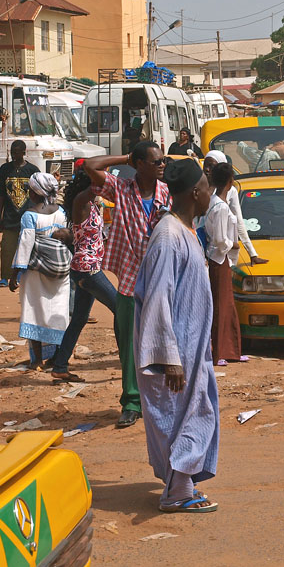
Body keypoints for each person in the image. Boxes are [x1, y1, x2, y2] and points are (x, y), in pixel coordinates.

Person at [134, 158, 220, 513]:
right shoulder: (169, 236)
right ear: (195, 192)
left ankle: (180, 483)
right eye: (206, 188)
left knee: (194, 412)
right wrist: (166, 357)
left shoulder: (186, 231)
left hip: (192, 348)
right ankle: (178, 492)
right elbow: (157, 297)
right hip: (176, 352)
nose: (210, 194)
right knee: (185, 416)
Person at [85, 142, 171, 429]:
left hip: (161, 279)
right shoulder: (120, 189)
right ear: (140, 164)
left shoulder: (166, 192)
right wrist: (126, 157)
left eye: (163, 161)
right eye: (156, 161)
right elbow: (91, 166)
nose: (161, 165)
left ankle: (156, 400)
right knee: (129, 346)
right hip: (130, 282)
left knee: (161, 343)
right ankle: (131, 402)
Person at [48, 169, 117, 383]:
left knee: (78, 318)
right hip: (88, 269)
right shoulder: (82, 201)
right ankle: (130, 357)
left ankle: (60, 365)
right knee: (122, 309)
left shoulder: (92, 203)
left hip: (86, 267)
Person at [9, 173, 70, 370]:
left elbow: (25, 246)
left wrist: (14, 274)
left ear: (35, 193)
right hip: (60, 272)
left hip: (36, 272)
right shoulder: (62, 212)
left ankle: (36, 360)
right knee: (58, 312)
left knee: (34, 311)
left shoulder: (30, 216)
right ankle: (57, 357)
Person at [205, 162, 245, 367]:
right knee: (220, 305)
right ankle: (218, 351)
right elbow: (220, 239)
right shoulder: (220, 207)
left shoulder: (213, 201)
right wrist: (234, 244)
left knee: (226, 304)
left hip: (220, 258)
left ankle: (229, 350)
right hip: (219, 258)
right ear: (230, 182)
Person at [204, 150, 268, 265]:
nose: (207, 169)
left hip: (220, 255)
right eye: (206, 165)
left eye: (211, 166)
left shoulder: (230, 191)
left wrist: (252, 253)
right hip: (204, 249)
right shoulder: (199, 188)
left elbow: (239, 221)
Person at [0, 140, 40, 287]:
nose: (14, 155)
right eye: (12, 152)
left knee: (28, 248)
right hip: (10, 218)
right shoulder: (4, 170)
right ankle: (5, 276)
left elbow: (39, 195)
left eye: (17, 152)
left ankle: (23, 276)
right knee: (7, 248)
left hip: (29, 218)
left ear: (24, 152)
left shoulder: (33, 170)